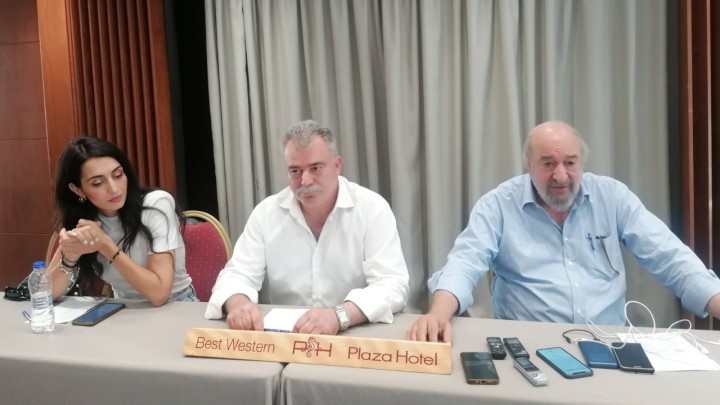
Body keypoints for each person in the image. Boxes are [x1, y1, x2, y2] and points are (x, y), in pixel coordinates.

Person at [406, 121, 720, 342]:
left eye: (570, 162)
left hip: (608, 343)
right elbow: (465, 261)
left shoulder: (612, 197)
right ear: (528, 165)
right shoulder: (498, 205)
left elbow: (668, 254)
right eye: (547, 163)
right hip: (527, 345)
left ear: (582, 162)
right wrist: (439, 314)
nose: (560, 175)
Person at [205, 119, 409, 334]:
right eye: (295, 171)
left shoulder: (371, 209)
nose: (305, 180)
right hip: (285, 336)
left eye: (316, 168)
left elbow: (392, 284)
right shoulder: (266, 213)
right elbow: (237, 275)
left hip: (354, 333)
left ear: (337, 165)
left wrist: (339, 316)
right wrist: (238, 303)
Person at [48, 137, 197, 305]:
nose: (114, 188)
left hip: (176, 304)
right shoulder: (84, 224)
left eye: (118, 175)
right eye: (98, 183)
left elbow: (159, 294)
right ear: (77, 190)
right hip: (125, 308)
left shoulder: (156, 205)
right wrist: (69, 258)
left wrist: (106, 246)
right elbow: (45, 295)